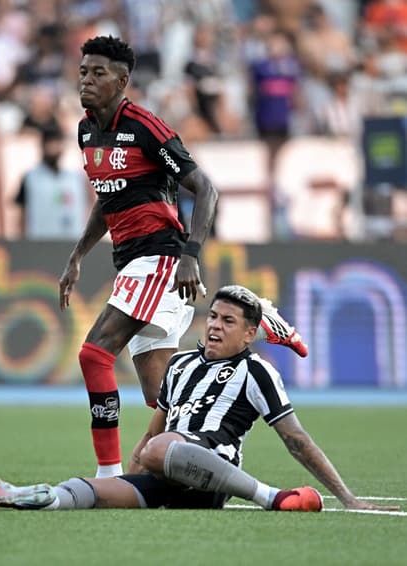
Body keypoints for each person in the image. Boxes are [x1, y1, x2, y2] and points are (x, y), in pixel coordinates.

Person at [58, 36, 308, 479]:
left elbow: (206, 188)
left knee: (94, 355)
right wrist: (78, 254)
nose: (87, 80)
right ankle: (261, 318)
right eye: (83, 72)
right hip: (132, 263)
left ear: (122, 80)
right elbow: (108, 198)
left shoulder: (146, 127)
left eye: (98, 73)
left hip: (161, 258)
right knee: (162, 397)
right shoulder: (86, 131)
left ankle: (108, 475)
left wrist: (191, 255)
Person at [0, 285, 400, 513]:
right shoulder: (179, 366)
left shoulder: (257, 371)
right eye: (212, 316)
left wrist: (347, 498)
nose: (214, 326)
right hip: (164, 473)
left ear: (250, 334)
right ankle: (34, 497)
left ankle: (272, 497)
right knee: (89, 490)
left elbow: (297, 440)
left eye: (228, 321)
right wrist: (131, 474)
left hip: (210, 479)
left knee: (162, 447)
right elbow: (151, 436)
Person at [15, 127, 89, 240]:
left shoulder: (75, 179)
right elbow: (21, 214)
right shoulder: (31, 178)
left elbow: (88, 206)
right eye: (50, 144)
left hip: (72, 243)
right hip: (41, 244)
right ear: (42, 146)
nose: (54, 148)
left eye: (57, 143)